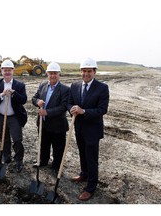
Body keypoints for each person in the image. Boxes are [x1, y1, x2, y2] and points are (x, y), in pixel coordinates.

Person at [67, 58, 109, 201]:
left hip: (92, 129)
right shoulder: (75, 85)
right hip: (79, 127)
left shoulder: (102, 88)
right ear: (81, 72)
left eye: (89, 71)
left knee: (91, 158)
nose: (86, 74)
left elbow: (102, 110)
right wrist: (71, 109)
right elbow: (69, 102)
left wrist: (83, 111)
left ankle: (91, 186)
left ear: (94, 72)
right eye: (84, 71)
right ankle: (84, 174)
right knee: (82, 153)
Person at [0, 59, 27, 173]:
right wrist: (2, 94)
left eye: (9, 70)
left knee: (17, 140)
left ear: (13, 71)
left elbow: (24, 100)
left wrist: (14, 93)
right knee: (4, 139)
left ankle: (19, 160)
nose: (7, 73)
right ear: (2, 71)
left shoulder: (19, 85)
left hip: (14, 117)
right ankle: (7, 158)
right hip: (1, 116)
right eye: (5, 70)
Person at [31, 62, 70, 176]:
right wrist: (37, 101)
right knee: (43, 144)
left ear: (59, 74)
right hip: (43, 124)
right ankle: (43, 161)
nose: (52, 75)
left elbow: (63, 107)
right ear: (47, 74)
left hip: (57, 125)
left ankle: (56, 166)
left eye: (55, 73)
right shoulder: (43, 85)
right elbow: (34, 98)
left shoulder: (65, 89)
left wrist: (47, 112)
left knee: (58, 147)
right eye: (50, 73)